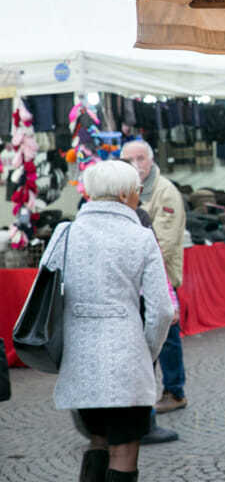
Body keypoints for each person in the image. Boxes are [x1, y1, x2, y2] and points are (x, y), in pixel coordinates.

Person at [43, 160, 173, 482]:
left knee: (97, 439)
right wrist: (148, 352)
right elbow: (162, 310)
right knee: (125, 448)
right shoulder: (141, 237)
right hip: (127, 359)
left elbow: (44, 294)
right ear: (126, 193)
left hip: (80, 358)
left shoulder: (66, 233)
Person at [121, 140, 188, 416]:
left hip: (161, 276)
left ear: (151, 159)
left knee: (167, 334)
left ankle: (175, 390)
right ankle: (144, 391)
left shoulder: (165, 193)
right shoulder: (126, 190)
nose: (136, 165)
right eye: (129, 160)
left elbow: (165, 242)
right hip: (136, 279)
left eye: (140, 158)